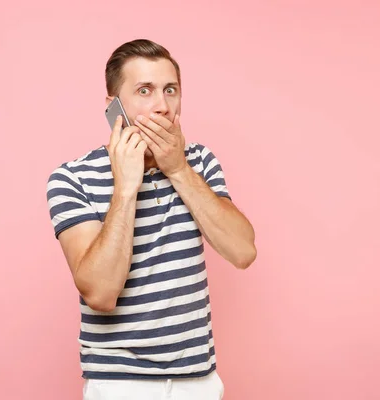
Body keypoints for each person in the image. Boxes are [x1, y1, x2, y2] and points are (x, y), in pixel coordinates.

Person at [46, 39, 257, 400]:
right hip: (118, 384)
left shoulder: (199, 162)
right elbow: (100, 292)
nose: (162, 106)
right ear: (114, 107)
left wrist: (177, 169)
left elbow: (243, 252)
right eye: (144, 90)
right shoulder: (71, 178)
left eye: (170, 90)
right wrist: (126, 189)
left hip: (198, 380)